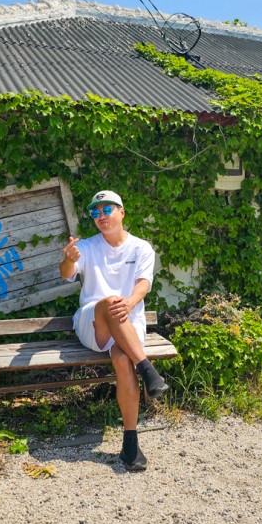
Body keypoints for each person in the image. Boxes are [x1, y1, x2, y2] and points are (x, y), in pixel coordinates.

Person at [58, 189, 168, 472]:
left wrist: (130, 303)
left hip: (128, 325)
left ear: (122, 212)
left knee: (121, 358)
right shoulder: (88, 247)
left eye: (107, 210)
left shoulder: (141, 248)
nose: (101, 216)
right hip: (92, 324)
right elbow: (66, 273)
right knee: (108, 302)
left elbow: (143, 284)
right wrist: (70, 258)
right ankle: (147, 368)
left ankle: (131, 445)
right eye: (95, 212)